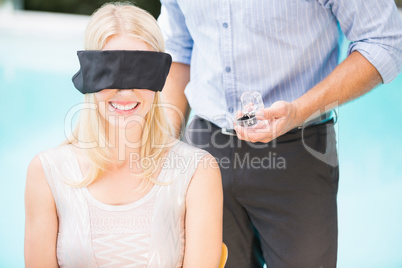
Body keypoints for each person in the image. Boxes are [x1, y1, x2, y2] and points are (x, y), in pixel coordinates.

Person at [157, 0, 402, 267]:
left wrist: (299, 110)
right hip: (204, 150)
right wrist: (165, 141)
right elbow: (177, 49)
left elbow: (383, 41)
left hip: (299, 147)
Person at [24, 3, 223, 267]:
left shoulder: (198, 172)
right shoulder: (47, 173)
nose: (125, 90)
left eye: (140, 71)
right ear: (88, 75)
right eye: (110, 72)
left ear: (160, 76)